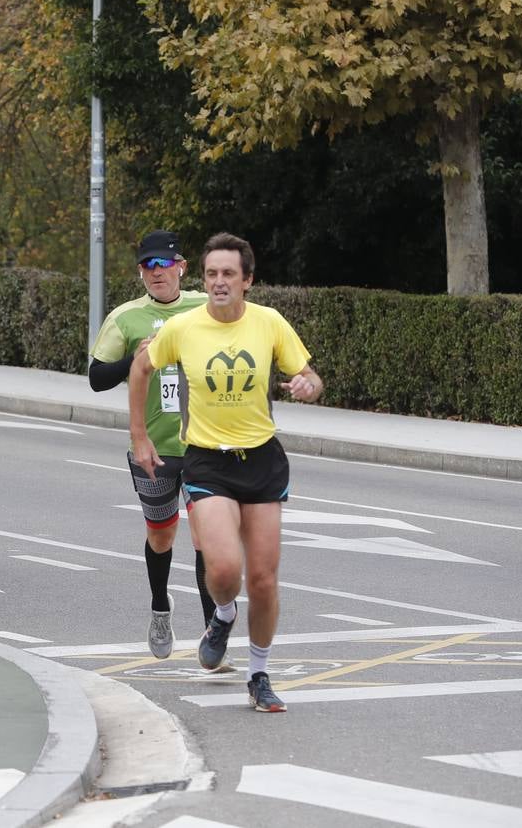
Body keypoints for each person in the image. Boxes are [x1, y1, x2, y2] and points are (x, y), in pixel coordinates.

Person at [129, 232, 324, 713]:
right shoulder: (184, 328)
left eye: (229, 274)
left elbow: (312, 377)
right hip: (207, 460)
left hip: (261, 459)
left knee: (262, 579)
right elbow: (140, 368)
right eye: (212, 273)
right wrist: (140, 437)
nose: (219, 282)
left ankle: (259, 673)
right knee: (222, 570)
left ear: (248, 280)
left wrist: (307, 384)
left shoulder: (269, 323)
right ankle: (222, 614)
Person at [88, 230, 219, 664]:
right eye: (148, 266)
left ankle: (209, 635)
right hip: (152, 447)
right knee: (161, 537)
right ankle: (161, 607)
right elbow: (96, 378)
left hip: (203, 445)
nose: (156, 273)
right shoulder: (126, 317)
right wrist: (134, 359)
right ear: (140, 272)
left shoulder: (205, 306)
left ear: (181, 266)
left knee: (206, 539)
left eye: (163, 265)